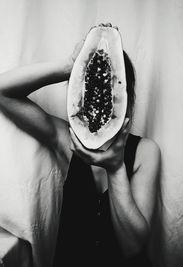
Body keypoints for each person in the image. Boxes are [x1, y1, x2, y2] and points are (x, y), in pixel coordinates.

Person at [0, 24, 160, 267]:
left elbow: (133, 247)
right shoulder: (66, 141)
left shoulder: (146, 153)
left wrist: (116, 170)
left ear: (128, 97)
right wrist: (70, 67)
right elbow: (3, 92)